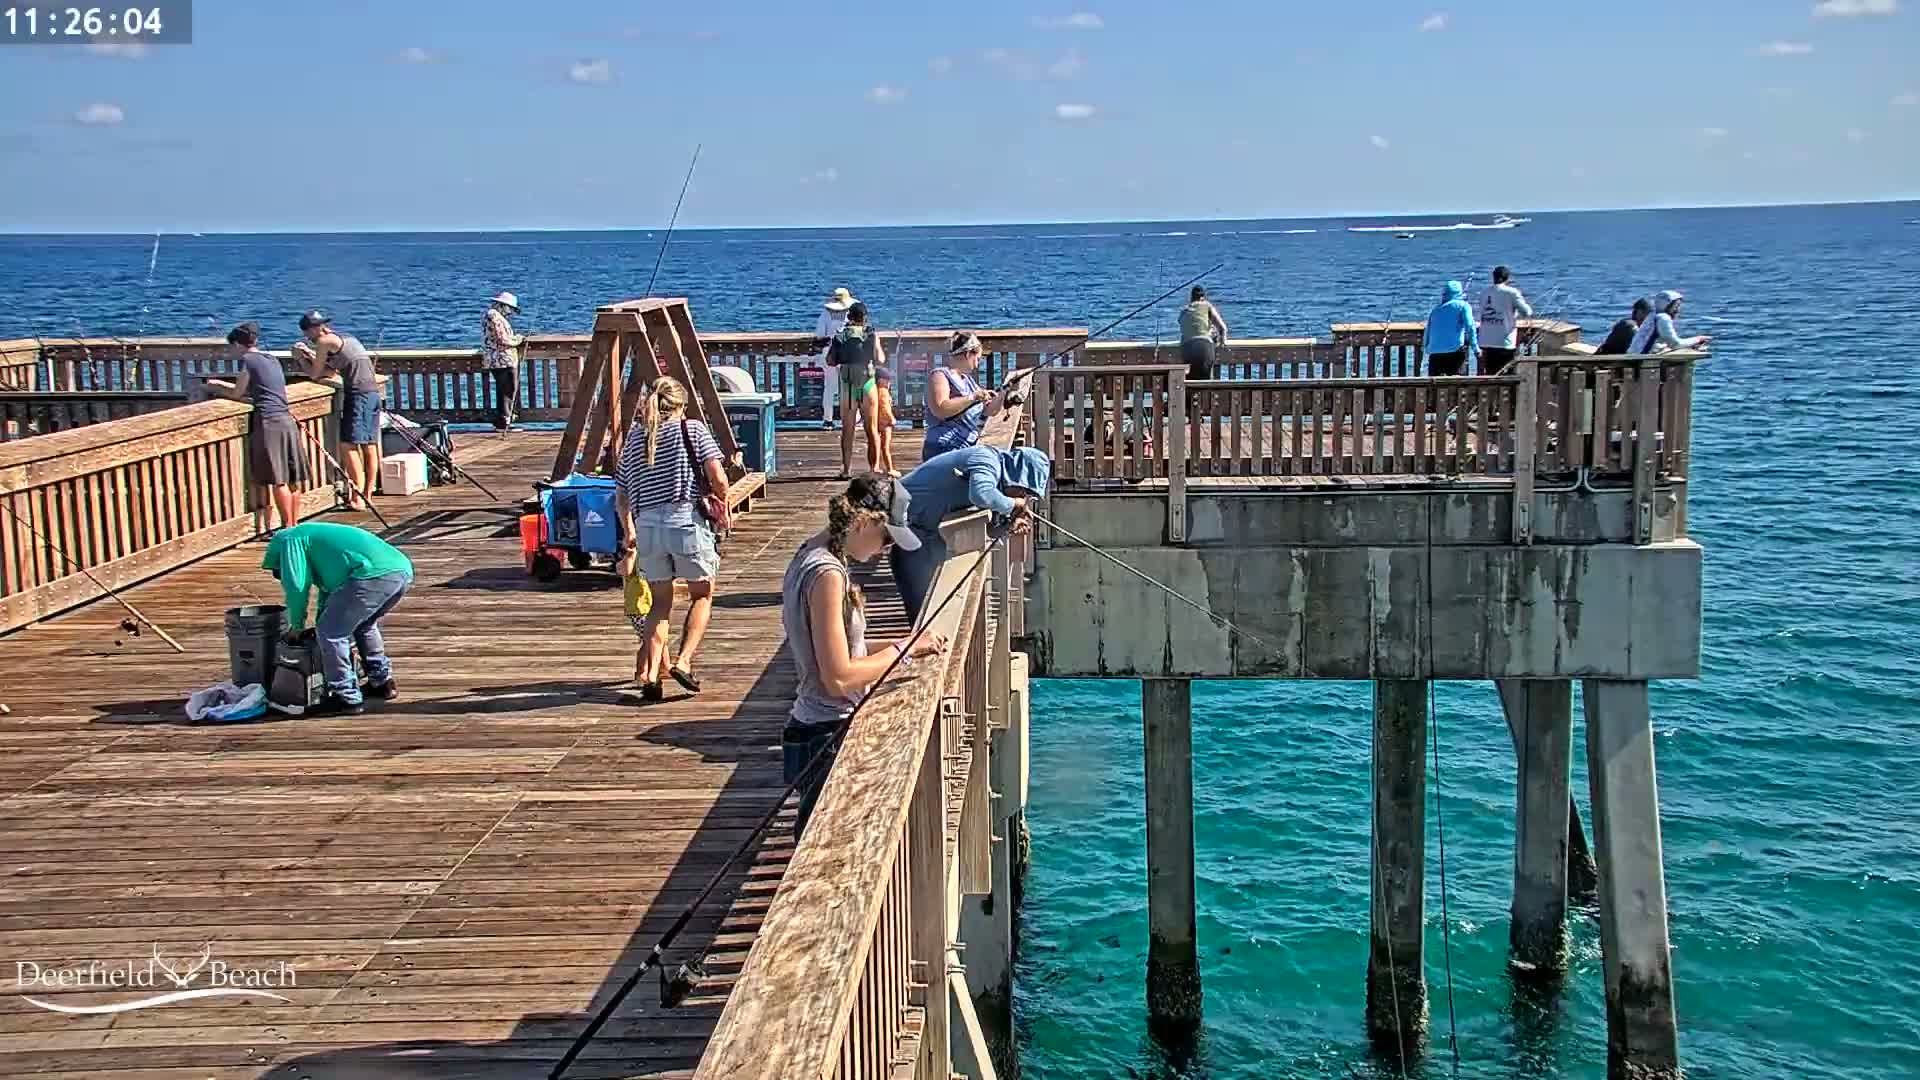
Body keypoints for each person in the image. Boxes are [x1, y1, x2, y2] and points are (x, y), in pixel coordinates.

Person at [781, 474, 944, 836]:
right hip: (825, 737)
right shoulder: (827, 574)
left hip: (815, 730)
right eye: (886, 537)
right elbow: (839, 677)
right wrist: (903, 650)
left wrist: (909, 642)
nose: (886, 549)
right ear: (864, 522)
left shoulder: (809, 552)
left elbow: (840, 651)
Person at [615, 376, 729, 701]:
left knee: (659, 604)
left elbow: (621, 494)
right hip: (684, 521)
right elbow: (718, 478)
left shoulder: (634, 438)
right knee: (702, 594)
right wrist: (723, 504)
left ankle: (651, 675)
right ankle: (683, 661)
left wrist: (629, 530)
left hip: (648, 527)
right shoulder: (692, 430)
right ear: (681, 405)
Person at [261, 521, 413, 717]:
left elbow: (296, 587)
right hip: (400, 570)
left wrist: (296, 626)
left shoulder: (289, 541)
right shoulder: (315, 540)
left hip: (369, 575)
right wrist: (320, 623)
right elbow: (331, 594)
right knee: (364, 625)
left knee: (332, 634)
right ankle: (382, 682)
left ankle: (346, 697)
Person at [891, 445, 1050, 623]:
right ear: (1016, 475)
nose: (1023, 497)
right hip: (899, 516)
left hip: (925, 530)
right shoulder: (986, 460)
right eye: (1025, 492)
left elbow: (988, 529)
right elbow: (982, 495)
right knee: (923, 607)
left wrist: (1008, 525)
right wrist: (1013, 505)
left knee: (935, 600)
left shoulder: (995, 476)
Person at [209, 321, 303, 533]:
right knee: (293, 480)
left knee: (279, 480)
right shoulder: (272, 359)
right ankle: (295, 524)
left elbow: (237, 393)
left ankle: (287, 528)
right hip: (286, 419)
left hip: (269, 422)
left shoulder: (248, 361)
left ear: (237, 344)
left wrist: (217, 386)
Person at [292, 310, 382, 509]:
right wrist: (309, 354)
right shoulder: (345, 338)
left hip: (358, 395)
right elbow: (331, 370)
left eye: (307, 332)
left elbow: (316, 374)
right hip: (372, 393)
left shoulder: (324, 342)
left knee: (348, 445)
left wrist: (300, 359)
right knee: (369, 444)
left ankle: (357, 497)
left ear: (315, 329)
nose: (307, 337)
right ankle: (368, 493)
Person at [923, 331, 1013, 457]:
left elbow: (989, 411)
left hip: (966, 446)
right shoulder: (939, 375)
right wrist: (973, 397)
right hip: (944, 447)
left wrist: (1003, 394)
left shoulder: (967, 380)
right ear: (968, 354)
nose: (977, 365)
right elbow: (940, 409)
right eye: (977, 359)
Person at [826, 301, 885, 479]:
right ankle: (874, 468)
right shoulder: (871, 335)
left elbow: (830, 360)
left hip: (848, 384)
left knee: (848, 429)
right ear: (865, 318)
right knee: (872, 428)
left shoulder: (840, 335)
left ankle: (846, 470)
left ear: (849, 317)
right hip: (867, 384)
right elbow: (880, 359)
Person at [1475, 266, 1533, 374]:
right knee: (1507, 375)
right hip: (1504, 342)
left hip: (1486, 341)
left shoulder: (1484, 292)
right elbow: (1526, 312)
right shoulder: (1512, 292)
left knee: (1491, 374)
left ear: (1493, 277)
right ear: (1507, 278)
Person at [813, 287, 856, 430]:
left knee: (829, 387)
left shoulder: (826, 313)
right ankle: (852, 419)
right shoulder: (852, 312)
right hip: (848, 351)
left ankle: (828, 419)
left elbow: (819, 334)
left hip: (829, 351)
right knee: (850, 387)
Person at [481, 291, 523, 430]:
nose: (510, 312)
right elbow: (502, 339)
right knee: (508, 389)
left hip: (499, 359)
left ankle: (504, 420)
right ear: (503, 305)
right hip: (501, 359)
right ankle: (504, 421)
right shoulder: (494, 316)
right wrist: (518, 340)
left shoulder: (492, 315)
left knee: (505, 390)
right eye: (510, 308)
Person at [1422, 280, 1480, 376]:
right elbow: (1470, 326)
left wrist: (1424, 347)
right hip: (1455, 351)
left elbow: (1427, 331)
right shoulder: (1463, 306)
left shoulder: (1436, 310)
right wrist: (1476, 349)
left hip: (1435, 353)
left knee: (1436, 384)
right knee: (1457, 383)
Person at [1627, 290, 1712, 354]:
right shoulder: (1663, 318)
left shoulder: (1653, 315)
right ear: (1667, 305)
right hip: (1642, 358)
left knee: (1690, 348)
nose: (1678, 310)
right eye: (1676, 306)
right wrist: (1698, 339)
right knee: (1695, 350)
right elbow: (1676, 344)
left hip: (1635, 354)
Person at [1178, 286, 1229, 381]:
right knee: (1205, 382)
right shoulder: (1207, 306)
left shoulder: (1184, 310)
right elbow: (1222, 328)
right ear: (1203, 297)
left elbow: (1183, 325)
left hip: (1187, 348)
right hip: (1204, 347)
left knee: (1190, 382)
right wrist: (1222, 342)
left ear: (1191, 297)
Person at [872, 363, 898, 476]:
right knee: (886, 447)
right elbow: (885, 407)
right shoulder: (883, 391)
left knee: (876, 445)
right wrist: (892, 419)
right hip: (885, 423)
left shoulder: (874, 391)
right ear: (880, 380)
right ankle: (890, 469)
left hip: (876, 420)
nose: (889, 382)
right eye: (887, 380)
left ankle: (875, 466)